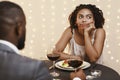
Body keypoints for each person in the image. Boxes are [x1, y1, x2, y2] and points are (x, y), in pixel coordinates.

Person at [0, 1, 86, 80]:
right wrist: (77, 79)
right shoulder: (33, 68)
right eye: (24, 25)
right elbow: (56, 52)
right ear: (19, 28)